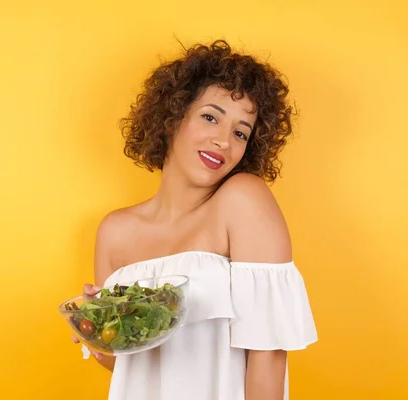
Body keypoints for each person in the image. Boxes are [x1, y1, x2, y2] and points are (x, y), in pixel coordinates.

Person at [72, 39, 318, 400]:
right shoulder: (114, 231)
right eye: (210, 117)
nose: (223, 141)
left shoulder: (243, 200)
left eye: (240, 132)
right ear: (171, 118)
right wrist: (99, 330)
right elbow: (126, 363)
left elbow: (268, 354)